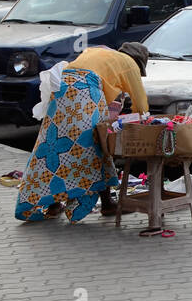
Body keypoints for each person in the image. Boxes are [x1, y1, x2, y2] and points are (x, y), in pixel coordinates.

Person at [14, 42, 150, 223]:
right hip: (85, 94)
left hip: (61, 90)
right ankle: (107, 203)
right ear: (138, 62)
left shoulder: (99, 52)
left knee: (55, 147)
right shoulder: (129, 63)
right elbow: (141, 104)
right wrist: (143, 122)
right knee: (93, 146)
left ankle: (52, 204)